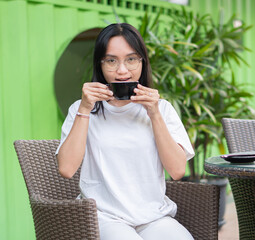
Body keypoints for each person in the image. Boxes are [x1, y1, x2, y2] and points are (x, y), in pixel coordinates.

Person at [56, 23, 195, 240]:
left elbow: (177, 171)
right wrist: (84, 109)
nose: (122, 71)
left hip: (153, 218)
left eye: (131, 59)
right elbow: (66, 169)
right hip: (104, 218)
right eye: (111, 60)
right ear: (100, 65)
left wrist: (154, 114)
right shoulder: (82, 109)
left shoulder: (162, 109)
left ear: (142, 62)